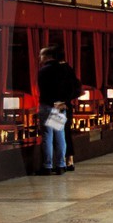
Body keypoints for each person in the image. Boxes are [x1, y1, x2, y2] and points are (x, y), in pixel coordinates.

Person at [35, 45, 80, 175]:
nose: (40, 58)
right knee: (60, 135)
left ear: (48, 57)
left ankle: (47, 166)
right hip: (60, 106)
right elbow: (70, 87)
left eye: (41, 55)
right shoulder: (63, 70)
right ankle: (61, 165)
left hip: (47, 106)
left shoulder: (43, 71)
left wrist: (51, 102)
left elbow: (43, 90)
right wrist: (64, 101)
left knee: (47, 136)